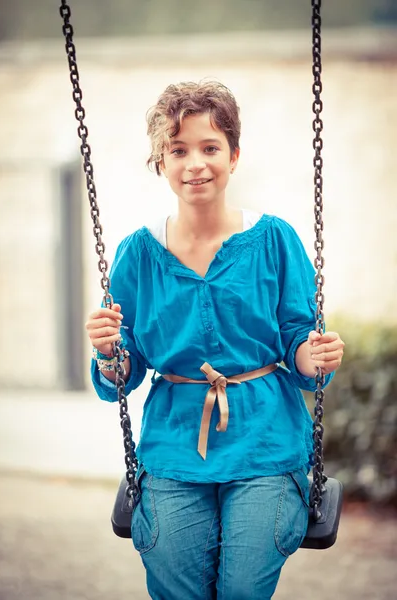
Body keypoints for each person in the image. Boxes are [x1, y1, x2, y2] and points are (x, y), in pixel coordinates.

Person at [86, 80, 345, 600]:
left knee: (243, 591)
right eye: (178, 150)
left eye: (210, 147)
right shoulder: (137, 254)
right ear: (161, 160)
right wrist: (109, 352)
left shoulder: (274, 239)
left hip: (266, 446)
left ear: (234, 155)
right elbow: (125, 371)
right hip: (173, 450)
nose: (195, 164)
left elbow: (297, 337)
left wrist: (311, 355)